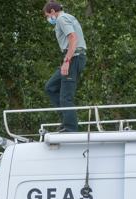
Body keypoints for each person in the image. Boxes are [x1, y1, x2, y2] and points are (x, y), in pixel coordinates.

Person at [43, 0, 87, 132]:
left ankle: (70, 128)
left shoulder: (62, 18)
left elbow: (73, 38)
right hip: (73, 57)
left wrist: (67, 62)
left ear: (52, 12)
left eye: (47, 16)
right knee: (50, 87)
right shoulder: (68, 17)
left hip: (74, 57)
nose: (48, 19)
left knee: (65, 96)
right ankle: (66, 120)